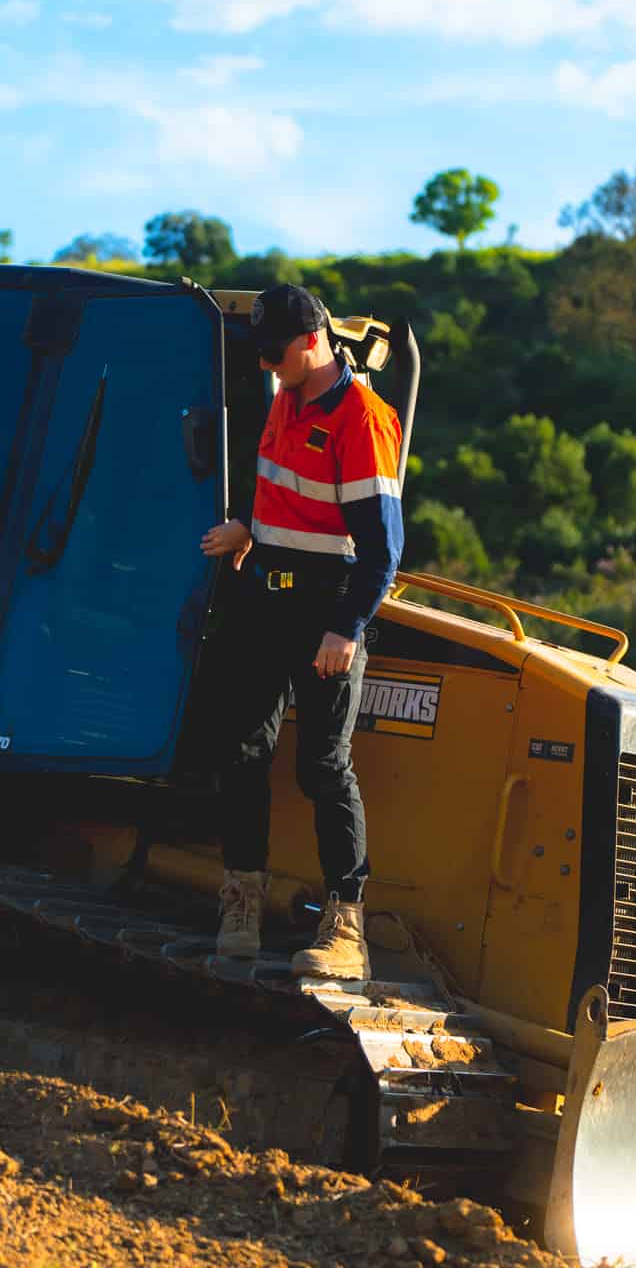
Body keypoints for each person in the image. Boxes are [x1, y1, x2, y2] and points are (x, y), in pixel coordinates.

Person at [197, 283, 405, 980]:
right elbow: (291, 495)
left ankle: (347, 931)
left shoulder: (363, 419)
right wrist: (247, 528)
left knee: (322, 768)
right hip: (264, 602)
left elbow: (381, 550)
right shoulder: (285, 397)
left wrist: (346, 629)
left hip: (327, 614)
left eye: (274, 352)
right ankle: (240, 906)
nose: (265, 366)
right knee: (243, 751)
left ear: (312, 341)